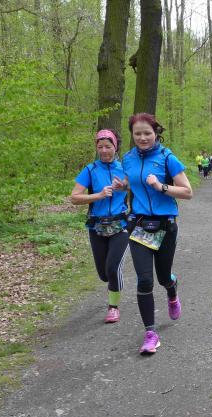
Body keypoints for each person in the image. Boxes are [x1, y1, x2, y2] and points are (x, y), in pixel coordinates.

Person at [114, 113, 193, 354]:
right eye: (137, 133)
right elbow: (133, 182)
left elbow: (187, 191)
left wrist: (161, 186)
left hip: (165, 226)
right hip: (139, 225)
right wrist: (123, 186)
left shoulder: (167, 158)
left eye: (147, 133)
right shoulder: (127, 159)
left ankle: (172, 289)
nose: (142, 137)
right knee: (145, 280)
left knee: (163, 277)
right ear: (132, 135)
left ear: (155, 133)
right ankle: (150, 333)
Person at [70, 129, 129, 324]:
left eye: (108, 146)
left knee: (112, 268)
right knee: (104, 275)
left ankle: (113, 307)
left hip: (121, 225)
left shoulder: (125, 168)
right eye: (100, 146)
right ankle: (113, 281)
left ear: (115, 147)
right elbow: (74, 197)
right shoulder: (90, 170)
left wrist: (125, 187)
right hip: (97, 226)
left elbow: (139, 187)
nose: (104, 150)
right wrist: (99, 195)